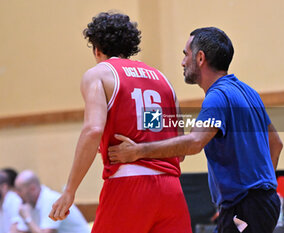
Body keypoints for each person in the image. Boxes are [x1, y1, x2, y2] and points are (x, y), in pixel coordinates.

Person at [108, 27, 283, 233]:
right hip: (261, 203)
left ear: (200, 58)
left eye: (186, 54)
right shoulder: (248, 92)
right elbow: (276, 144)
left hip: (246, 206)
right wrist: (262, 190)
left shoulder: (217, 97)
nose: (183, 62)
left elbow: (194, 143)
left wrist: (138, 151)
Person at [49, 12, 192, 233]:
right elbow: (180, 149)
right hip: (171, 190)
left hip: (129, 185)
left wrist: (70, 190)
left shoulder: (98, 74)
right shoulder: (163, 80)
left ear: (97, 49)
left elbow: (93, 129)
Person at [14, 170, 90, 233]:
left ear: (32, 189)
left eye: (19, 190)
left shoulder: (50, 200)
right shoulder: (29, 204)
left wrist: (27, 218)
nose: (17, 194)